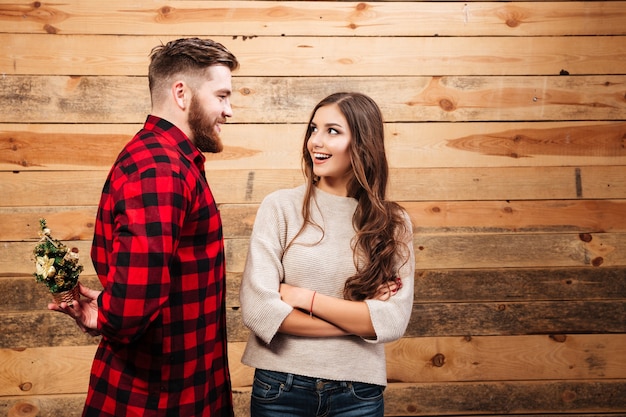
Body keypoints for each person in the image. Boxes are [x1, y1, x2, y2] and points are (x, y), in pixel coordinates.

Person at [48, 37, 239, 417]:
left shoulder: (163, 159)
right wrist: (107, 316)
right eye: (221, 96)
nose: (229, 111)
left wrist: (105, 313)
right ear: (181, 93)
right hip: (157, 399)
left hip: (180, 387)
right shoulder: (160, 169)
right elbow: (133, 304)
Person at [239, 92, 415, 416]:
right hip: (280, 388)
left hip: (358, 393)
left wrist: (303, 298)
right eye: (313, 129)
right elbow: (258, 311)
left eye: (332, 131)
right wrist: (359, 318)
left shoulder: (393, 223)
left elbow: (391, 322)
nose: (315, 141)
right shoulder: (279, 207)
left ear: (362, 143)